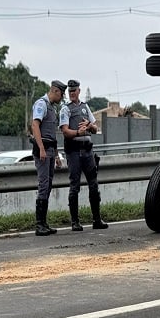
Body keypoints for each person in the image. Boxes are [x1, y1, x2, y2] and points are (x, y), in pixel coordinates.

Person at [59, 79, 108, 231]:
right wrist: (78, 132)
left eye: (74, 91)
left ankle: (97, 219)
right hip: (74, 151)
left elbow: (95, 129)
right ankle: (75, 221)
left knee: (93, 184)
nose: (72, 93)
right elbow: (65, 131)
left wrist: (89, 125)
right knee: (75, 186)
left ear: (79, 91)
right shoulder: (65, 109)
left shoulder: (85, 107)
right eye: (70, 91)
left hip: (87, 151)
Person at [31, 80, 66, 236]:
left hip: (51, 150)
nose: (62, 97)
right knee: (44, 185)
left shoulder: (52, 108)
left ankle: (44, 223)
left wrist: (57, 155)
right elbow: (35, 125)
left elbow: (52, 134)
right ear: (55, 91)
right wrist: (41, 148)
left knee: (48, 185)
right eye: (62, 93)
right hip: (43, 150)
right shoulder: (42, 104)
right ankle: (39, 225)